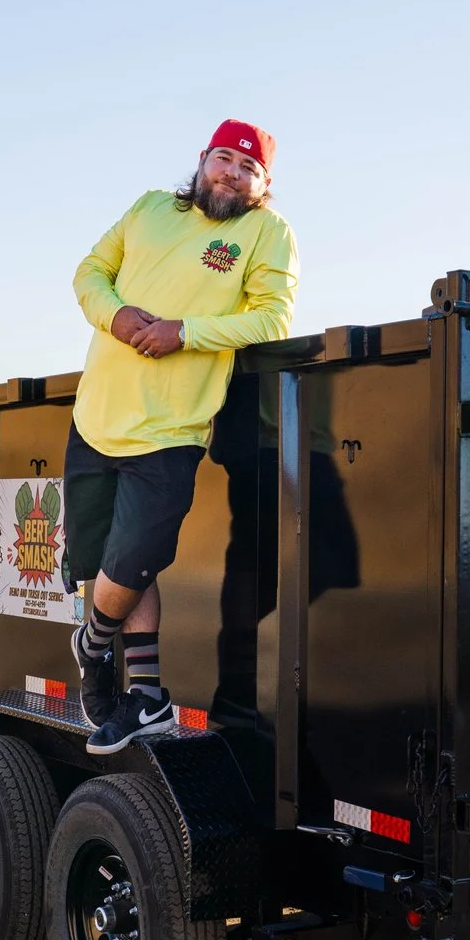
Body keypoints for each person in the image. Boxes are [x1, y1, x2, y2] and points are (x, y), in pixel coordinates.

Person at [64, 119, 299, 751]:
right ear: (202, 161)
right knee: (99, 562)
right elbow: (89, 271)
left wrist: (185, 332)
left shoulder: (265, 233)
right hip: (96, 414)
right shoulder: (149, 208)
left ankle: (91, 641)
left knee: (133, 559)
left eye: (247, 168)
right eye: (223, 158)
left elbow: (273, 319)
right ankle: (145, 697)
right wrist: (113, 314)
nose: (231, 172)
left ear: (264, 184)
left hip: (172, 428)